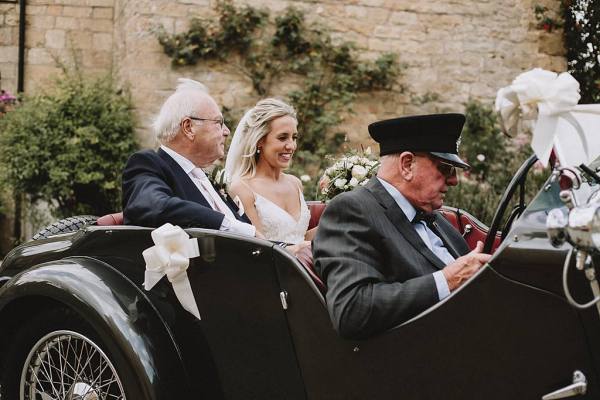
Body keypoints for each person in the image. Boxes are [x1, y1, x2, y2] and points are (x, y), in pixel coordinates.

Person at [313, 113, 492, 339]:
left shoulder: (433, 217)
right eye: (446, 168)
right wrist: (446, 280)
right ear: (407, 164)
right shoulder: (352, 210)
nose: (454, 180)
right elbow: (352, 309)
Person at [122, 78, 259, 237]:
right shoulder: (147, 165)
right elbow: (153, 205)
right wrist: (229, 226)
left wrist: (285, 248)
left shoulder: (207, 179)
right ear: (188, 127)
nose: (227, 131)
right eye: (219, 122)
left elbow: (251, 232)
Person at [225, 98, 316, 244]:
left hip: (306, 264)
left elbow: (301, 238)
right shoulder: (242, 189)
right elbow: (261, 248)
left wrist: (337, 218)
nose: (291, 146)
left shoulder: (295, 183)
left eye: (294, 137)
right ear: (260, 140)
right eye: (282, 137)